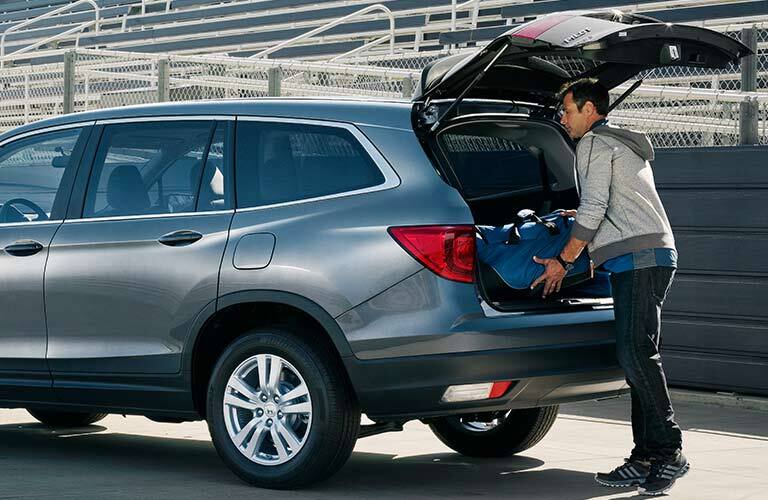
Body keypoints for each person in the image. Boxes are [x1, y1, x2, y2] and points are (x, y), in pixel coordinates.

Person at [530, 78, 689, 496]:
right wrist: (579, 211)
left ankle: (669, 452)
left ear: (589, 109)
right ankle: (644, 458)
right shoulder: (622, 144)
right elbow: (609, 202)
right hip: (653, 254)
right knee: (640, 357)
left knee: (635, 354)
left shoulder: (594, 144)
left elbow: (597, 206)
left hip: (636, 257)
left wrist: (563, 261)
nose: (562, 119)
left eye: (567, 110)